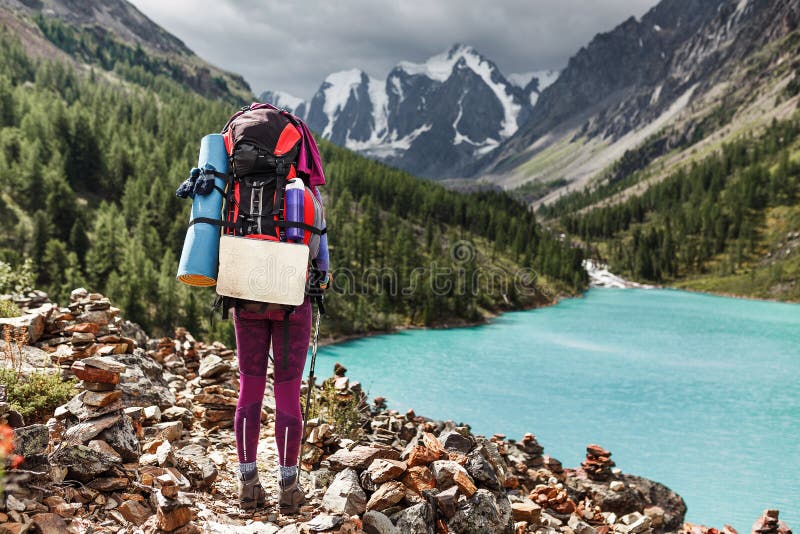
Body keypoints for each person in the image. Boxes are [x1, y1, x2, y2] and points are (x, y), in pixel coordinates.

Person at [233, 258, 329, 514]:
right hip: (293, 303)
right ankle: (288, 488)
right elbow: (323, 269)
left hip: (246, 300)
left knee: (249, 389)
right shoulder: (316, 213)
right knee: (287, 393)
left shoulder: (239, 212)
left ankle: (247, 484)